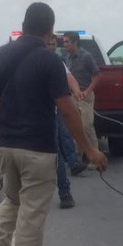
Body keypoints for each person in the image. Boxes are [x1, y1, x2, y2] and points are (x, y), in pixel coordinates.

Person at [0, 2, 107, 246]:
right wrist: (89, 149)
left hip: (7, 147)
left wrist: (0, 130)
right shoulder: (48, 61)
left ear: (23, 24)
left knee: (11, 203)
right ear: (50, 30)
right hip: (36, 150)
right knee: (31, 218)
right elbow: (66, 109)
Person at [46, 33, 87, 210]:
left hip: (52, 113)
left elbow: (69, 78)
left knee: (57, 152)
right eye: (48, 43)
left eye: (53, 43)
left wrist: (76, 91)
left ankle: (64, 193)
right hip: (30, 117)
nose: (51, 46)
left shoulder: (56, 61)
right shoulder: (26, 58)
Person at [61, 32, 101, 155]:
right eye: (64, 42)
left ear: (75, 42)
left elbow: (97, 76)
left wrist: (87, 92)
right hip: (72, 96)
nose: (64, 44)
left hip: (85, 97)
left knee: (87, 127)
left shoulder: (86, 56)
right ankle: (78, 157)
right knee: (74, 127)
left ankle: (94, 155)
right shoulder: (66, 57)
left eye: (67, 41)